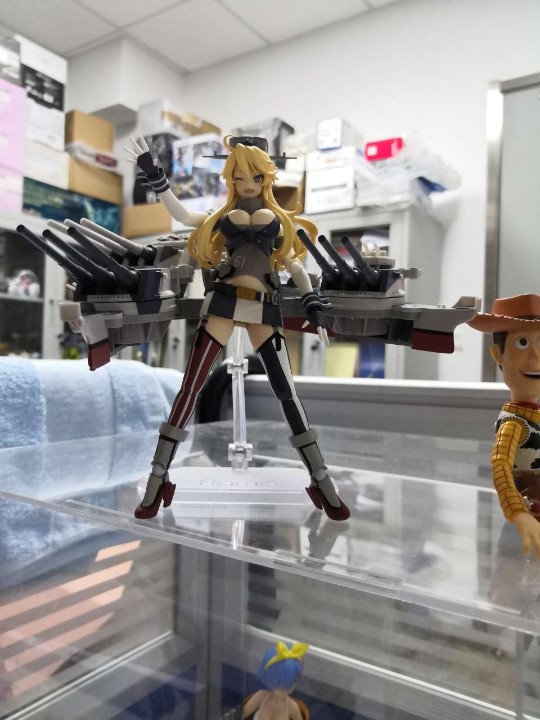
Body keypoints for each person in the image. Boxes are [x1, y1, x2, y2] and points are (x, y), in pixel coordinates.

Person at [126, 135, 350, 521]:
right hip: (224, 303)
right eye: (240, 177)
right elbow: (184, 216)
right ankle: (158, 477)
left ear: (266, 178)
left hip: (264, 306)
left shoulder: (279, 220)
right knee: (191, 386)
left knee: (286, 393)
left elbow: (295, 265)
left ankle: (320, 477)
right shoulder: (220, 216)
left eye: (255, 177)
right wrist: (157, 178)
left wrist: (311, 299)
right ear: (231, 178)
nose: (247, 184)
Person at [469, 294, 540, 558]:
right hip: (525, 525)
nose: (535, 356)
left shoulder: (535, 417)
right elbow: (500, 466)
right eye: (522, 343)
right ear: (498, 355)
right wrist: (518, 513)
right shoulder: (514, 423)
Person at [242, 641, 309, 720]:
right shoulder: (260, 697)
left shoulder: (292, 707)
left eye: (293, 679)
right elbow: (238, 715)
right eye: (278, 680)